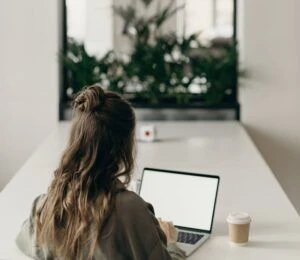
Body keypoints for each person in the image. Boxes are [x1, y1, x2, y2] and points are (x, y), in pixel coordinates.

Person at [16, 85, 186, 260]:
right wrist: (170, 241)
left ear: (77, 140)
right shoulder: (131, 210)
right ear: (124, 146)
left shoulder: (46, 206)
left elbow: (24, 239)